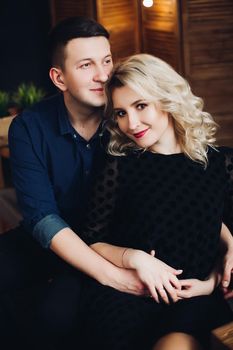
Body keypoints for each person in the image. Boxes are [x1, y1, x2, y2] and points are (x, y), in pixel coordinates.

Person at [0, 17, 148, 348]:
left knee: (56, 318)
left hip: (110, 244)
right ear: (59, 77)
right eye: (86, 65)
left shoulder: (129, 117)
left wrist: (226, 236)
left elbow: (189, 166)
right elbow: (41, 218)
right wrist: (114, 279)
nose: (103, 75)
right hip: (49, 239)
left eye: (107, 60)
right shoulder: (28, 127)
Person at [78, 54, 233, 350]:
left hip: (192, 300)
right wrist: (136, 259)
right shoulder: (120, 165)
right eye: (121, 113)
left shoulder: (220, 164)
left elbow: (220, 229)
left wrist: (210, 283)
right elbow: (92, 240)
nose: (131, 123)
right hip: (127, 295)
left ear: (167, 99)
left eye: (140, 106)